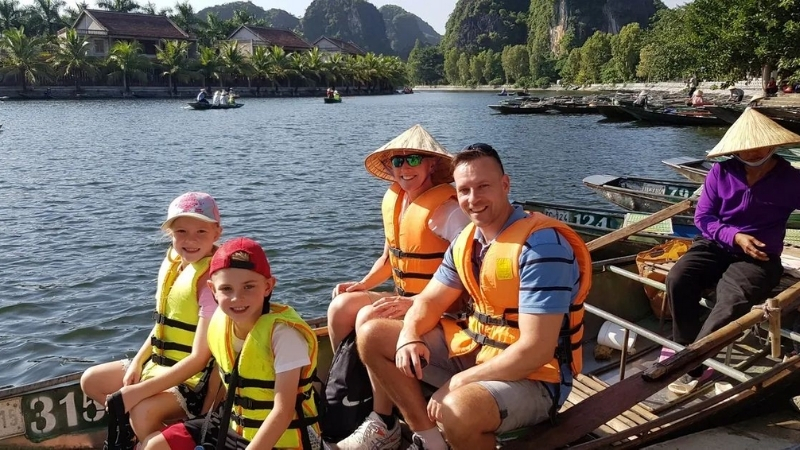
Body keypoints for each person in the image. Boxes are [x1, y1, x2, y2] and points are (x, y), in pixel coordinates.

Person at [341, 144, 592, 450]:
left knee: (457, 408)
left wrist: (458, 382)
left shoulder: (542, 248)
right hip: (478, 349)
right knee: (372, 333)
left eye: (483, 186)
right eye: (464, 190)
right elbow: (429, 301)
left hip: (535, 379)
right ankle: (431, 441)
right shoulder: (467, 240)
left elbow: (536, 350)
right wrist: (409, 334)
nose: (473, 199)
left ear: (505, 184)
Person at [330, 125, 469, 448]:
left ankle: (384, 420)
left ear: (431, 164)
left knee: (368, 319)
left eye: (413, 159)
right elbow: (390, 256)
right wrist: (362, 285)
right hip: (408, 298)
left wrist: (419, 302)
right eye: (397, 161)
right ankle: (356, 393)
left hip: (445, 310)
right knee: (341, 307)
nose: (404, 168)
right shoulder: (399, 201)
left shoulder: (448, 212)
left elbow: (468, 274)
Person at [141, 237, 325, 450]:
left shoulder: (284, 335)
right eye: (227, 289)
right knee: (156, 445)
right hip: (232, 426)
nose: (237, 298)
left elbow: (283, 412)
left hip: (283, 438)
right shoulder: (220, 323)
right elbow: (221, 378)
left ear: (268, 286)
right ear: (213, 289)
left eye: (249, 287)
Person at [665, 108, 800, 395]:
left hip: (759, 257)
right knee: (678, 279)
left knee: (730, 302)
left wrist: (746, 244)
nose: (751, 153)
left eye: (757, 147)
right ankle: (685, 349)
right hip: (714, 245)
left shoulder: (791, 179)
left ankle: (692, 366)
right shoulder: (721, 172)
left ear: (773, 145)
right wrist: (735, 236)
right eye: (744, 149)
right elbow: (703, 218)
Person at [80, 192, 223, 442]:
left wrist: (137, 393)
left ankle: (159, 440)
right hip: (158, 364)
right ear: (170, 234)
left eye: (201, 231)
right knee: (91, 381)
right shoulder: (175, 262)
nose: (190, 240)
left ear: (216, 233)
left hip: (194, 381)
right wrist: (137, 362)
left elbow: (200, 358)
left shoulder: (209, 281)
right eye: (181, 232)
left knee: (141, 412)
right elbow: (163, 326)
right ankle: (152, 435)